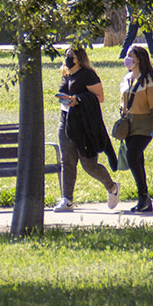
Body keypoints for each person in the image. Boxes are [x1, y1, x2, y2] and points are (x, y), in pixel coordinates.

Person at [53, 45, 121, 212]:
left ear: (79, 58)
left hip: (84, 125)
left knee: (89, 164)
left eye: (71, 56)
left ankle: (112, 187)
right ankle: (67, 199)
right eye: (66, 55)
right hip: (66, 122)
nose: (67, 59)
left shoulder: (88, 75)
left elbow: (99, 97)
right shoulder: (66, 74)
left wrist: (78, 100)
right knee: (67, 162)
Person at [119, 46, 153, 212]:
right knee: (138, 160)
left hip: (144, 125)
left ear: (139, 59)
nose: (127, 58)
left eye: (130, 56)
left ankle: (143, 196)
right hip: (129, 125)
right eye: (127, 55)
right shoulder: (127, 78)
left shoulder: (150, 80)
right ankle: (145, 201)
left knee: (132, 156)